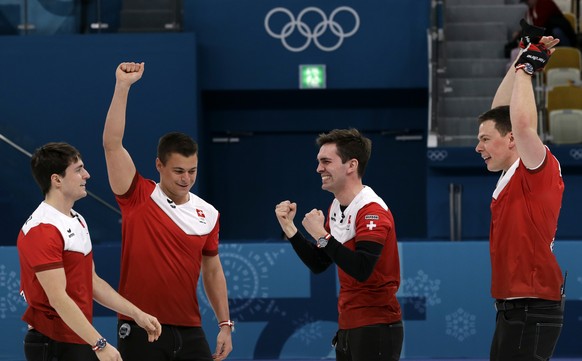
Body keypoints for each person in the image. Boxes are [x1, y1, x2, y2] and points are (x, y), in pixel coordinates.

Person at [102, 62, 233, 361]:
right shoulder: (138, 195)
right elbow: (112, 145)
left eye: (192, 170)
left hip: (190, 330)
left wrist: (225, 324)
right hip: (139, 326)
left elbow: (212, 270)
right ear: (159, 165)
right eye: (177, 171)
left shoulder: (208, 213)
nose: (186, 178)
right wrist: (122, 86)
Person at [17, 142, 162, 361]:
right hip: (53, 342)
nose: (87, 175)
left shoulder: (78, 219)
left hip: (78, 338)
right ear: (56, 180)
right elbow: (58, 299)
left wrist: (136, 314)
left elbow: (92, 282)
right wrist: (100, 344)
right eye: (78, 170)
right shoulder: (42, 229)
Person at [275, 128, 403, 361]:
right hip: (349, 324)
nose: (318, 169)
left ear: (351, 165)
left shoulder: (372, 211)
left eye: (326, 161)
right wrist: (290, 228)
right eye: (318, 162)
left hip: (377, 325)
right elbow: (319, 262)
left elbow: (361, 269)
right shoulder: (336, 207)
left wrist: (322, 236)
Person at [476, 31, 565, 361]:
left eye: (485, 139)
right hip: (513, 308)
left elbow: (523, 124)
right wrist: (523, 56)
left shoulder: (536, 165)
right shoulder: (510, 173)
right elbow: (501, 110)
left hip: (533, 306)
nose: (478, 147)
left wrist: (526, 70)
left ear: (510, 139)